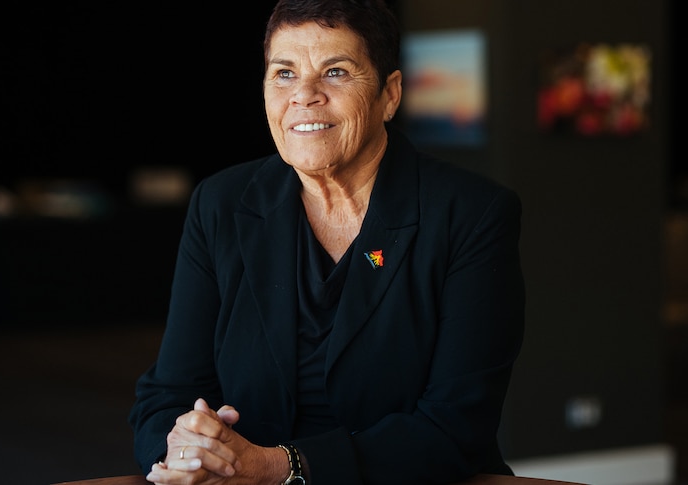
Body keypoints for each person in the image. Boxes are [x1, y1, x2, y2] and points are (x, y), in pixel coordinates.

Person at [127, 0, 525, 483]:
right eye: (284, 74)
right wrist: (186, 447)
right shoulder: (222, 204)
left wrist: (279, 467)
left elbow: (457, 426)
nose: (305, 95)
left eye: (335, 72)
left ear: (390, 94)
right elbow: (167, 393)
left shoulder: (470, 214)